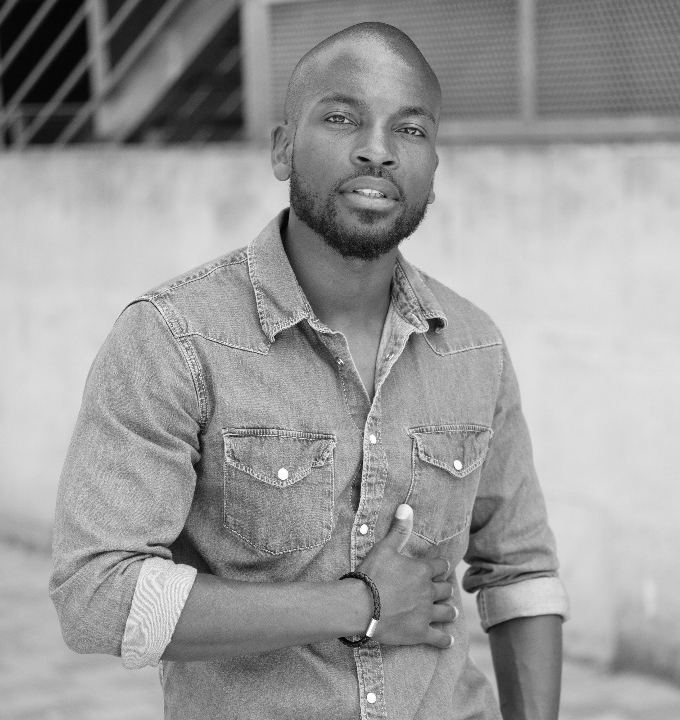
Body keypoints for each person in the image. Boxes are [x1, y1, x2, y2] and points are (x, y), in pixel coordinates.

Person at [50, 21, 569, 720]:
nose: (378, 150)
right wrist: (360, 605)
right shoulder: (174, 338)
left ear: (434, 168)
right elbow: (96, 595)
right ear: (281, 148)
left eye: (410, 129)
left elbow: (522, 571)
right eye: (342, 118)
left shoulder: (473, 346)